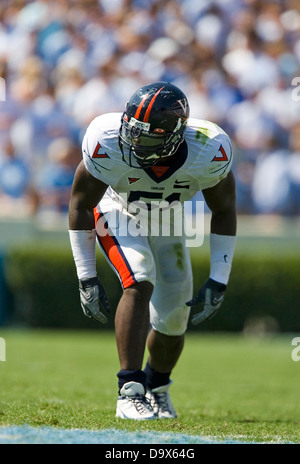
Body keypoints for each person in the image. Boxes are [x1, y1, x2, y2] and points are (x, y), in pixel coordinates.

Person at [68, 81, 237, 420]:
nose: (132, 141)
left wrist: (219, 278)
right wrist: (86, 276)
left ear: (173, 135)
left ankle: (156, 387)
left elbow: (224, 209)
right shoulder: (106, 140)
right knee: (139, 278)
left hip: (169, 221)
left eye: (145, 137)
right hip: (117, 212)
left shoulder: (209, 150)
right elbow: (80, 204)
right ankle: (129, 390)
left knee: (175, 314)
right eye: (131, 131)